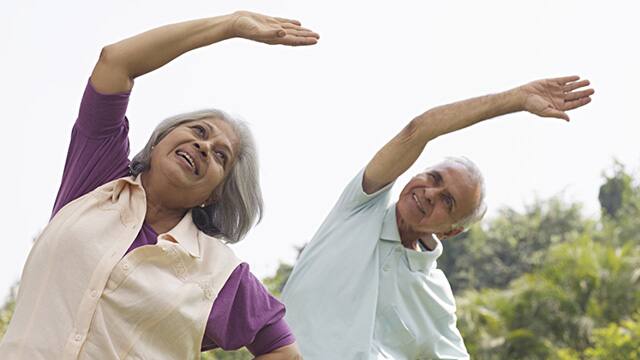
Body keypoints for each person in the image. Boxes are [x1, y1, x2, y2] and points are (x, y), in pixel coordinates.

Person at [0, 11, 319, 359]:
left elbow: (283, 352)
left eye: (220, 156)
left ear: (214, 194)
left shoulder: (219, 272)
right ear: (159, 141)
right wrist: (230, 25)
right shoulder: (95, 178)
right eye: (198, 131)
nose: (204, 146)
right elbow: (116, 61)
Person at [281, 76, 594, 359]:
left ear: (451, 231)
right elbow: (419, 130)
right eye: (433, 177)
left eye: (447, 200)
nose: (430, 193)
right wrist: (515, 100)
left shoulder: (437, 295)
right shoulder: (360, 208)